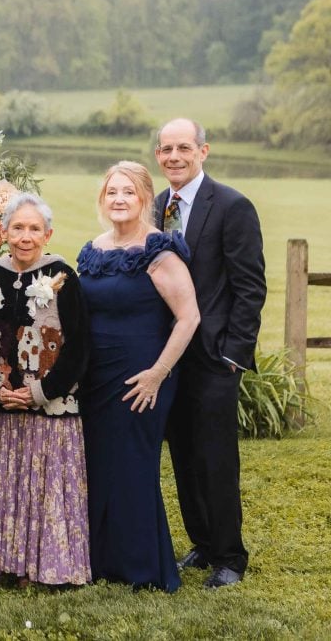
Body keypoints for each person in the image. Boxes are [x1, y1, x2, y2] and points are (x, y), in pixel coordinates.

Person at [77, 160, 200, 592]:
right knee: (98, 465)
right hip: (96, 377)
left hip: (142, 375)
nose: (119, 199)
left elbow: (189, 318)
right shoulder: (94, 248)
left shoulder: (159, 251)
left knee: (133, 465)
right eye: (112, 192)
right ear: (102, 199)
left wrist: (157, 375)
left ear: (146, 197)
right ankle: (100, 559)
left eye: (128, 191)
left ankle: (143, 567)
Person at [153, 119, 266, 588]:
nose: (174, 156)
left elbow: (250, 286)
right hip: (170, 355)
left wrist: (234, 355)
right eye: (165, 149)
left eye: (183, 147)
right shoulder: (158, 206)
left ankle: (230, 557)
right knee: (181, 453)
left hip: (216, 357)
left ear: (203, 151)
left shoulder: (233, 206)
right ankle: (201, 541)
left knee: (216, 458)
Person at [0, 193, 91, 587]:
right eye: (18, 228)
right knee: (6, 484)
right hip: (0, 406)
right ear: (2, 233)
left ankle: (47, 566)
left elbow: (79, 348)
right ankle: (4, 563)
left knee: (43, 489)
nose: (25, 237)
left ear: (48, 234)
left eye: (34, 229)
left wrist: (40, 391)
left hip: (49, 406)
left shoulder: (63, 277)